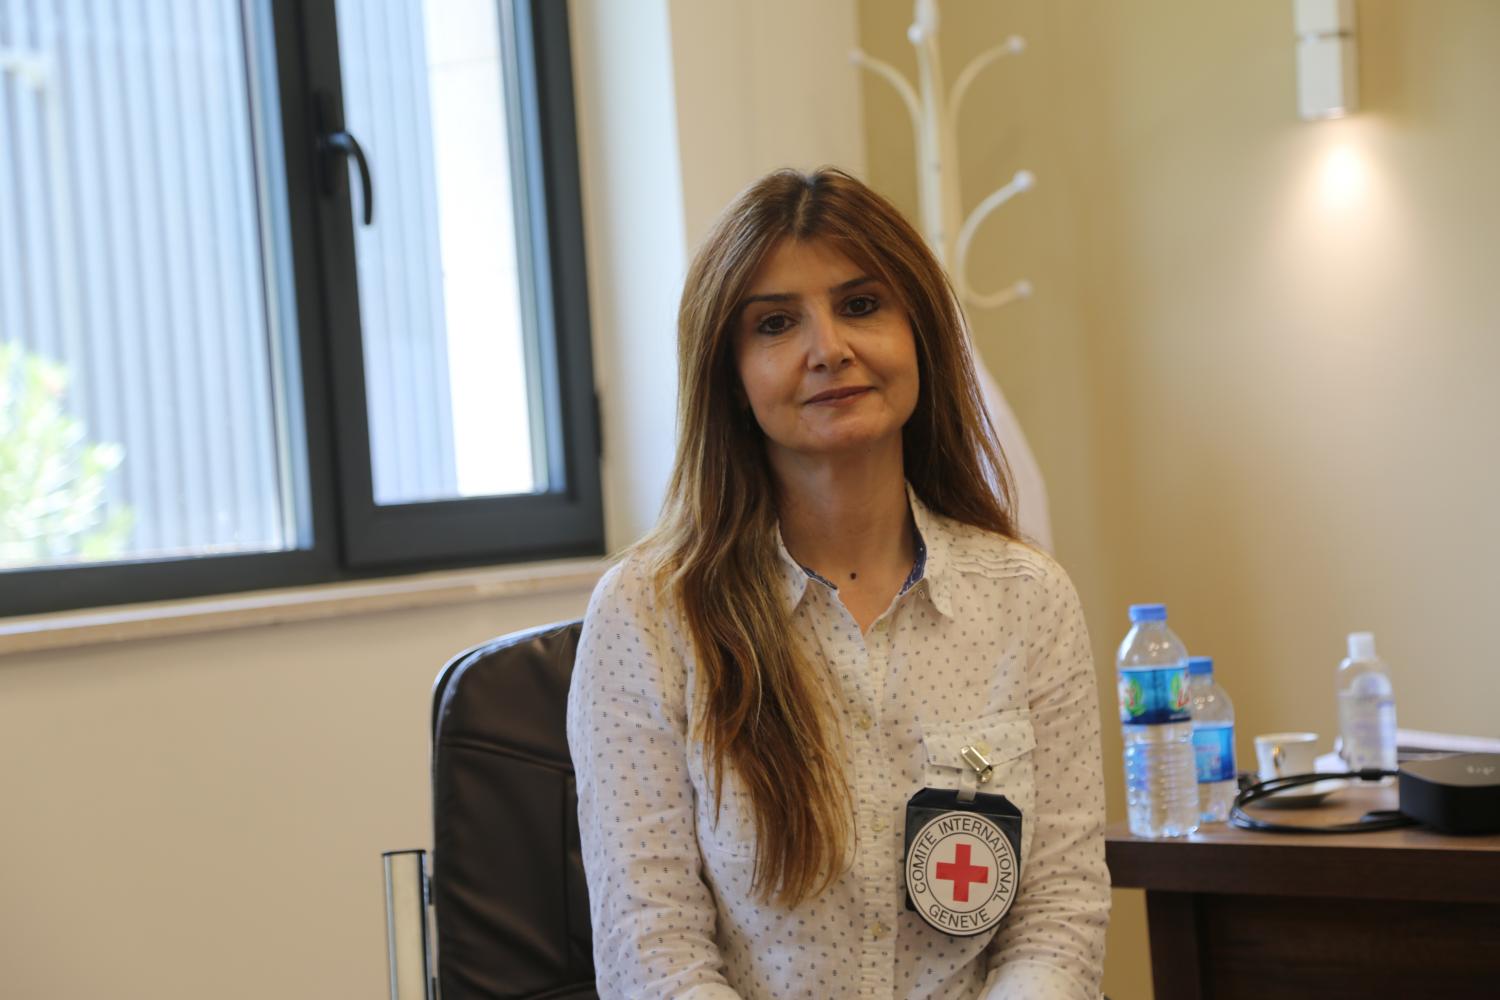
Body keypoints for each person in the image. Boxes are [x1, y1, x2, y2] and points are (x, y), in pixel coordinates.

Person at [566, 167, 1109, 999]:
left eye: (860, 305)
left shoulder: (1027, 598)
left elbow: (1058, 918)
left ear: (920, 333)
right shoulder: (647, 615)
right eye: (776, 323)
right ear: (731, 375)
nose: (829, 349)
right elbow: (654, 955)